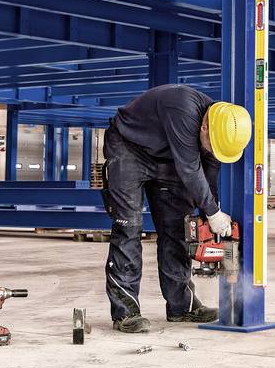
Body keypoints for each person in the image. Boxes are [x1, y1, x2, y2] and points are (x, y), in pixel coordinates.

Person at [100, 84, 251, 333]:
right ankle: (126, 312)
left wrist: (211, 211)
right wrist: (212, 212)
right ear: (204, 127)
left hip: (169, 158)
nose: (212, 153)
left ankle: (182, 306)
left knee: (177, 230)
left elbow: (208, 175)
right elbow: (190, 169)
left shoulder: (219, 132)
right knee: (128, 228)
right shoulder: (181, 108)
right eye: (211, 147)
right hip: (129, 147)